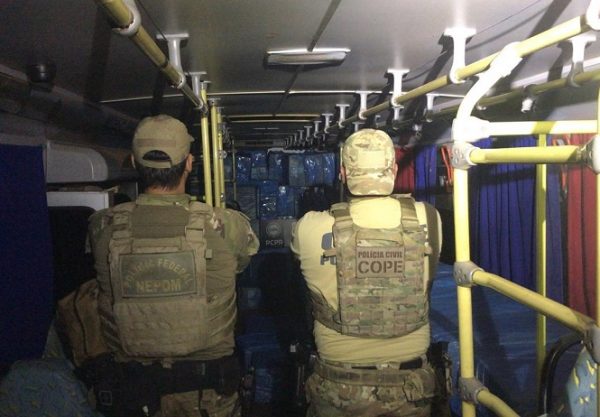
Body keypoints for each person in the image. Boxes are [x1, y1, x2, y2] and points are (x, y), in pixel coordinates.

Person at [86, 114, 259, 417]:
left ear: (134, 162)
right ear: (189, 163)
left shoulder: (102, 226)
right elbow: (241, 264)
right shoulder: (225, 225)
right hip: (207, 393)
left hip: (134, 393)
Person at [291, 128, 442, 417]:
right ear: (394, 171)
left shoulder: (308, 227)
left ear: (343, 174)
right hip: (410, 389)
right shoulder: (429, 218)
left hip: (339, 388)